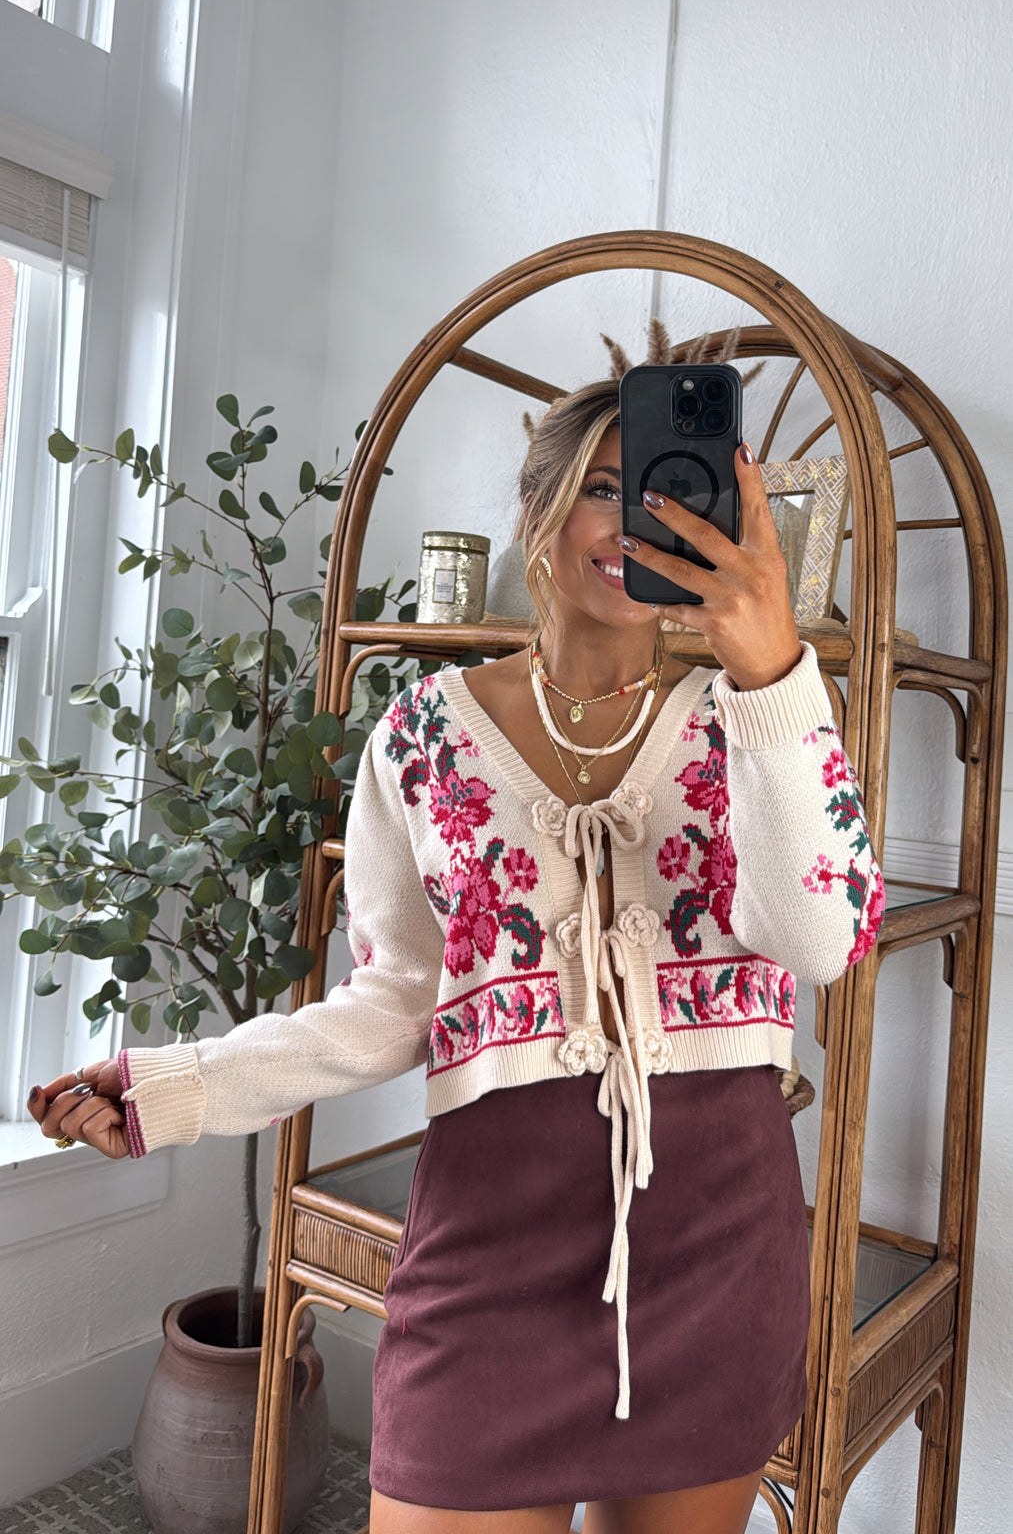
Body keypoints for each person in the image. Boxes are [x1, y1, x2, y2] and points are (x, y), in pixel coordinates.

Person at [29, 380, 884, 1534]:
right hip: (490, 1250)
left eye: (673, 492)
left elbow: (820, 943)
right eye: (605, 487)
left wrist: (772, 675)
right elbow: (393, 1001)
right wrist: (180, 1085)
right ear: (537, 512)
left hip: (716, 1254)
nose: (640, 520)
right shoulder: (421, 736)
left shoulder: (763, 716)